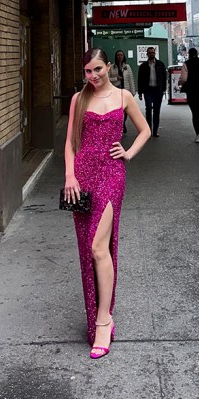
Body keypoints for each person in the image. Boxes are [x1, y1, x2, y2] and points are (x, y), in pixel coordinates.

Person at [64, 49, 150, 360]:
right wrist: (70, 175)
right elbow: (70, 142)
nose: (93, 76)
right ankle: (97, 314)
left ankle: (103, 319)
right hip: (83, 176)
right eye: (88, 71)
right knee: (88, 248)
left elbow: (145, 130)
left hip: (112, 175)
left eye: (97, 69)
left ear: (108, 67)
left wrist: (128, 153)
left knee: (99, 246)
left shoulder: (124, 96)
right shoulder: (79, 99)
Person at [137, 46, 167, 138]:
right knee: (149, 108)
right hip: (148, 90)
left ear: (155, 53)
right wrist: (140, 93)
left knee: (157, 111)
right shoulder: (143, 66)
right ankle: (149, 130)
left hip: (158, 90)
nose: (151, 54)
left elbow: (164, 77)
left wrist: (163, 90)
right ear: (147, 54)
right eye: (149, 53)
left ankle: (155, 130)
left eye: (153, 53)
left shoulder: (160, 64)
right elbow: (140, 79)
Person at [108, 49, 136, 133]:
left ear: (123, 56)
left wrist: (132, 92)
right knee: (117, 109)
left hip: (125, 90)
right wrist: (116, 78)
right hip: (116, 91)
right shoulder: (112, 67)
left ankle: (122, 123)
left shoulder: (127, 67)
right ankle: (120, 125)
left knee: (126, 109)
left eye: (121, 55)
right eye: (118, 55)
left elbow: (131, 79)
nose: (120, 56)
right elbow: (108, 79)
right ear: (116, 57)